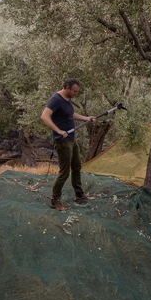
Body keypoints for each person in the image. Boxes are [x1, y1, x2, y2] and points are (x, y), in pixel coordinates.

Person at [40, 78, 96, 211]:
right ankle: (55, 200)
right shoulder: (56, 99)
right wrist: (58, 130)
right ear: (67, 88)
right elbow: (44, 116)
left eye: (77, 91)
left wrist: (86, 118)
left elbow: (70, 114)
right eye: (75, 91)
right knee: (64, 172)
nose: (76, 94)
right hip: (63, 142)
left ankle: (79, 194)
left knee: (76, 167)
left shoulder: (67, 98)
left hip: (72, 139)